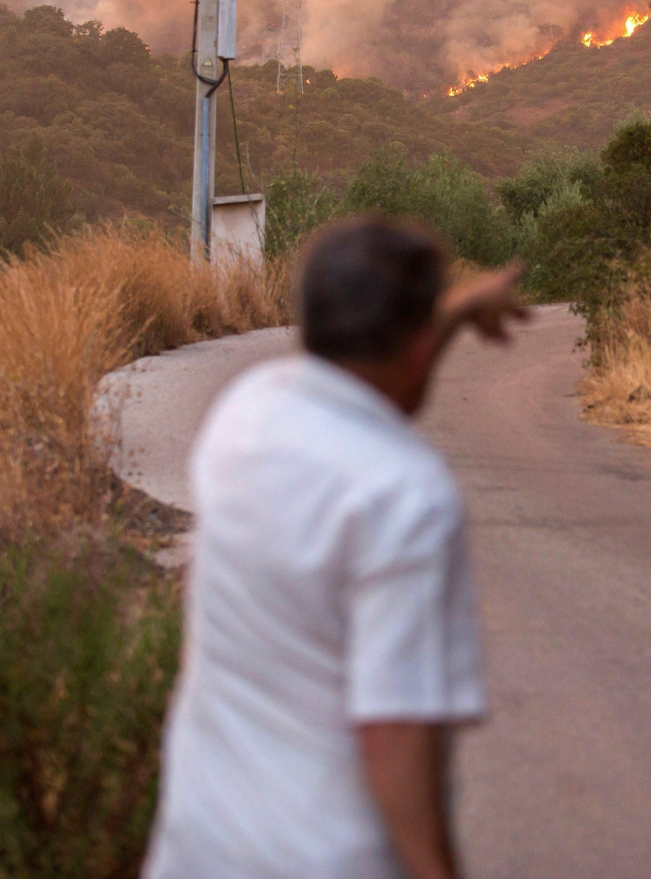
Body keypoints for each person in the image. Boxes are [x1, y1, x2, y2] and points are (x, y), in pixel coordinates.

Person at [145, 218, 528, 879]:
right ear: (419, 345)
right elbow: (395, 730)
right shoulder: (404, 494)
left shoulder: (243, 415)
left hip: (199, 850)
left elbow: (377, 371)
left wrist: (456, 309)